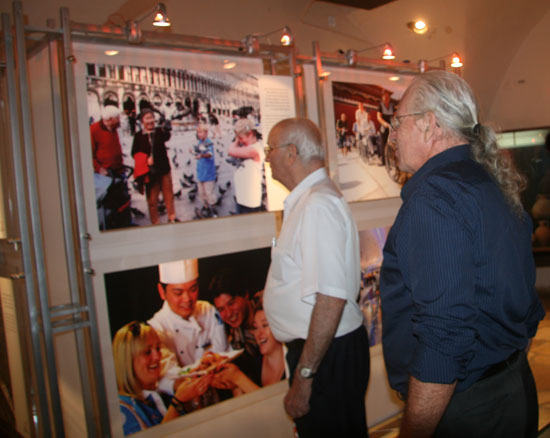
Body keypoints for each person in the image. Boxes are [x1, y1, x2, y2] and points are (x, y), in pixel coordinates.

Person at [379, 70, 546, 438]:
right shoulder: (490, 182)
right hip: (512, 387)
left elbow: (444, 336)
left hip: (468, 408)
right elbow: (524, 305)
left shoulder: (434, 198)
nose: (392, 134)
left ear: (429, 125)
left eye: (398, 122)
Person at [263, 118, 370, 438]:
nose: (267, 157)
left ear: (291, 152)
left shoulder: (318, 205)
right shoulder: (310, 201)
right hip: (325, 351)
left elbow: (331, 298)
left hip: (326, 357)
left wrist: (305, 376)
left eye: (271, 149)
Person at [112, 321, 212, 436]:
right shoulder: (124, 409)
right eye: (148, 352)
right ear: (127, 361)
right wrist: (177, 403)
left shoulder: (162, 394)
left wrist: (195, 398)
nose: (157, 356)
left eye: (158, 348)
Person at [148, 259, 228, 394]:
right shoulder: (156, 328)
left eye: (193, 289)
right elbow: (167, 376)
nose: (187, 299)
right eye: (178, 293)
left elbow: (223, 351)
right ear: (162, 292)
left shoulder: (208, 311)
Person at [209, 268, 262, 383]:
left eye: (231, 303)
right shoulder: (236, 337)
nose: (228, 314)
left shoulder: (267, 308)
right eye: (221, 309)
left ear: (245, 295)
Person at [131, 108, 177, 224]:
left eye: (151, 117)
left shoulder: (159, 131)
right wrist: (145, 160)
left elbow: (167, 136)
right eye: (147, 118)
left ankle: (172, 217)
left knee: (169, 195)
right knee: (152, 199)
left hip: (164, 169)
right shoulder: (138, 136)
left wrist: (167, 128)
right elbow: (134, 152)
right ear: (142, 121)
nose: (150, 121)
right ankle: (155, 221)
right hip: (149, 172)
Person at [227, 118, 266, 214]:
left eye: (241, 138)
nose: (239, 141)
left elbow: (231, 150)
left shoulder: (254, 151)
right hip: (242, 198)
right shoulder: (249, 148)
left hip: (249, 202)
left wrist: (236, 139)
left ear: (250, 134)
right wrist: (240, 136)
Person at [251, 306, 286, 387]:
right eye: (255, 328)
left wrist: (239, 379)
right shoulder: (254, 365)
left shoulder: (294, 360)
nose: (259, 334)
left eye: (265, 325)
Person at [192, 124, 218, 218]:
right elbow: (199, 152)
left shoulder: (208, 143)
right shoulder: (199, 142)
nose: (199, 134)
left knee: (209, 192)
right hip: (201, 172)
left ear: (206, 133)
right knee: (201, 192)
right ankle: (206, 206)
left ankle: (213, 208)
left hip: (208, 173)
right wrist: (194, 152)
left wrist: (202, 156)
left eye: (201, 132)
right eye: (198, 132)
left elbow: (209, 154)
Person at [376, 89, 395, 165]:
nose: (386, 98)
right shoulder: (380, 105)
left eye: (388, 96)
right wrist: (385, 124)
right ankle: (383, 161)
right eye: (385, 96)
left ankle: (392, 159)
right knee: (383, 143)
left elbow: (394, 116)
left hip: (391, 126)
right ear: (382, 97)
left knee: (393, 142)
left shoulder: (392, 105)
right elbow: (379, 117)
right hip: (384, 126)